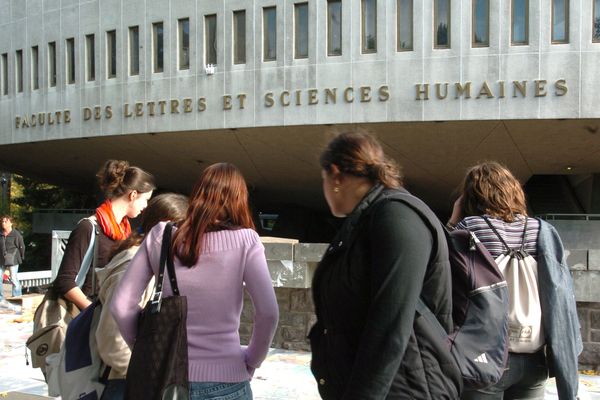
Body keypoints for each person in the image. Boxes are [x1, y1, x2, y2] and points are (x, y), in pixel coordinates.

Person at [309, 131, 461, 400]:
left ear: (335, 175)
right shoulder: (363, 221)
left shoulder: (396, 215)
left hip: (406, 389)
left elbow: (390, 324)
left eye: (322, 180)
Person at [111, 162, 279, 400]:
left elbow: (120, 305)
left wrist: (146, 348)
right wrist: (252, 360)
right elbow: (269, 313)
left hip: (166, 379)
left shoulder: (162, 234)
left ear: (198, 193)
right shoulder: (246, 241)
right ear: (239, 199)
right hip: (227, 379)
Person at [447, 161, 582, 400]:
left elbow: (442, 275)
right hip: (534, 359)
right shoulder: (543, 231)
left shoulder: (469, 229)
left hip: (484, 357)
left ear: (471, 196)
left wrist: (454, 219)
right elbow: (561, 295)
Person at [96, 193, 189, 400]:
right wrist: (147, 373)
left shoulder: (153, 261)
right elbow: (112, 339)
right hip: (126, 384)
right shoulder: (133, 265)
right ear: (166, 228)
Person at [54, 160, 155, 310]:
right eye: (146, 200)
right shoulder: (87, 227)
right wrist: (91, 312)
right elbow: (65, 281)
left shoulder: (125, 232)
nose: (146, 206)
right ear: (133, 195)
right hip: (87, 317)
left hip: (106, 314)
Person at [0, 215, 25, 300]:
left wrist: (22, 257)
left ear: (11, 223)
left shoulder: (16, 235)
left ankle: (17, 297)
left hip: (13, 259)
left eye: (5, 221)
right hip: (1, 259)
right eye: (2, 221)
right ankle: (1, 299)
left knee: (14, 279)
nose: (3, 223)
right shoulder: (0, 234)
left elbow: (22, 247)